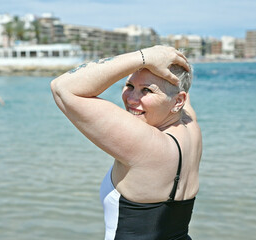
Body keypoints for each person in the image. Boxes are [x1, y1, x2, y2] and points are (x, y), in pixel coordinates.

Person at [51, 45, 202, 240]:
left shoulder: (148, 145)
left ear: (178, 101)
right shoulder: (190, 125)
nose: (131, 98)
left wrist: (144, 56)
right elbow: (180, 86)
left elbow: (62, 87)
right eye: (129, 86)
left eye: (146, 90)